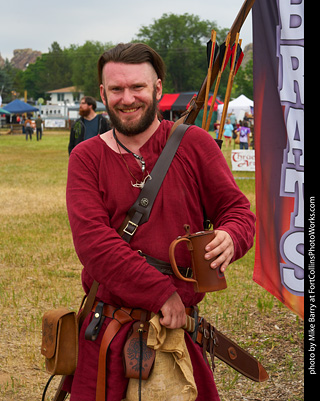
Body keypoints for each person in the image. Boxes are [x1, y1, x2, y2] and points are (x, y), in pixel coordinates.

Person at [65, 42, 256, 401]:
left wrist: (232, 235)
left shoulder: (195, 144)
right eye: (116, 89)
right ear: (103, 93)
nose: (127, 98)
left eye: (137, 87)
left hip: (178, 331)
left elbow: (238, 211)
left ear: (157, 89)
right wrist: (162, 293)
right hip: (107, 331)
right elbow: (94, 244)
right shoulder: (86, 157)